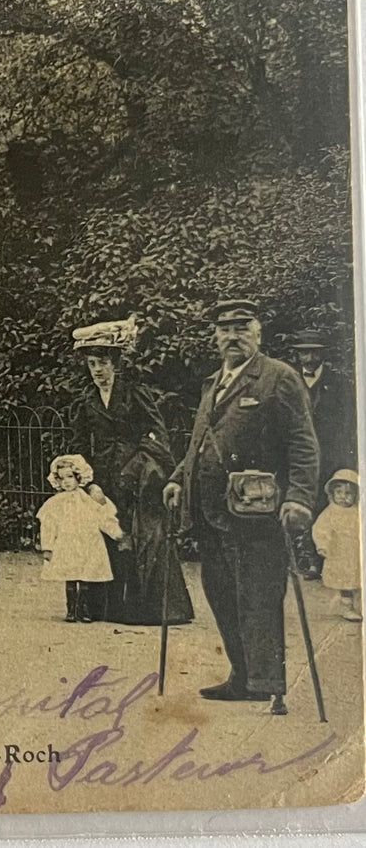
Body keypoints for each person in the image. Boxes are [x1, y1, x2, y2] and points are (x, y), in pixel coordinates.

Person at [165, 299, 319, 713]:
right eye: (224, 329)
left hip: (257, 512)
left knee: (259, 596)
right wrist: (180, 477)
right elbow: (200, 440)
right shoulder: (213, 382)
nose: (232, 336)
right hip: (212, 512)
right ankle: (242, 677)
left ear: (258, 334)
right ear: (215, 338)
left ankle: (268, 682)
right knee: (222, 595)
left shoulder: (278, 377)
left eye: (241, 328)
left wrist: (300, 497)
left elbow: (303, 445)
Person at [68, 318, 192, 626]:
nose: (97, 370)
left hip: (137, 477)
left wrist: (137, 465)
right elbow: (78, 442)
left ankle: (148, 610)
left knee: (140, 537)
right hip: (103, 479)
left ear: (115, 364)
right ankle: (105, 609)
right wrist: (85, 478)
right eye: (92, 363)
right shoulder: (87, 399)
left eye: (103, 363)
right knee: (105, 535)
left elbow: (156, 433)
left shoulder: (135, 392)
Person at [287, 329, 357, 579]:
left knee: (327, 506)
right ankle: (303, 560)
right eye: (304, 352)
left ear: (322, 354)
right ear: (297, 355)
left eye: (314, 351)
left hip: (330, 454)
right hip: (297, 455)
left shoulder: (339, 384)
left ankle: (323, 561)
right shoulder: (290, 381)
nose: (309, 357)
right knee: (299, 501)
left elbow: (349, 423)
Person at [39, 455, 125, 623]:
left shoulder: (87, 500)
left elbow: (103, 515)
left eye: (70, 477)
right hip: (67, 544)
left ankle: (84, 609)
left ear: (79, 477)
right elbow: (49, 525)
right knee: (70, 577)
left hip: (87, 543)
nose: (67, 482)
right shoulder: (55, 503)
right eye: (62, 478)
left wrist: (116, 533)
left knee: (86, 576)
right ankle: (71, 610)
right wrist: (47, 547)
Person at [311, 469, 362, 622]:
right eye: (339, 493)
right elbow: (321, 529)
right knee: (345, 583)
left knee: (358, 581)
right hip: (340, 553)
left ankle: (358, 606)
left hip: (356, 552)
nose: (343, 497)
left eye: (348, 494)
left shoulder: (358, 512)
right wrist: (322, 545)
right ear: (332, 494)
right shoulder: (330, 512)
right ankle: (348, 608)